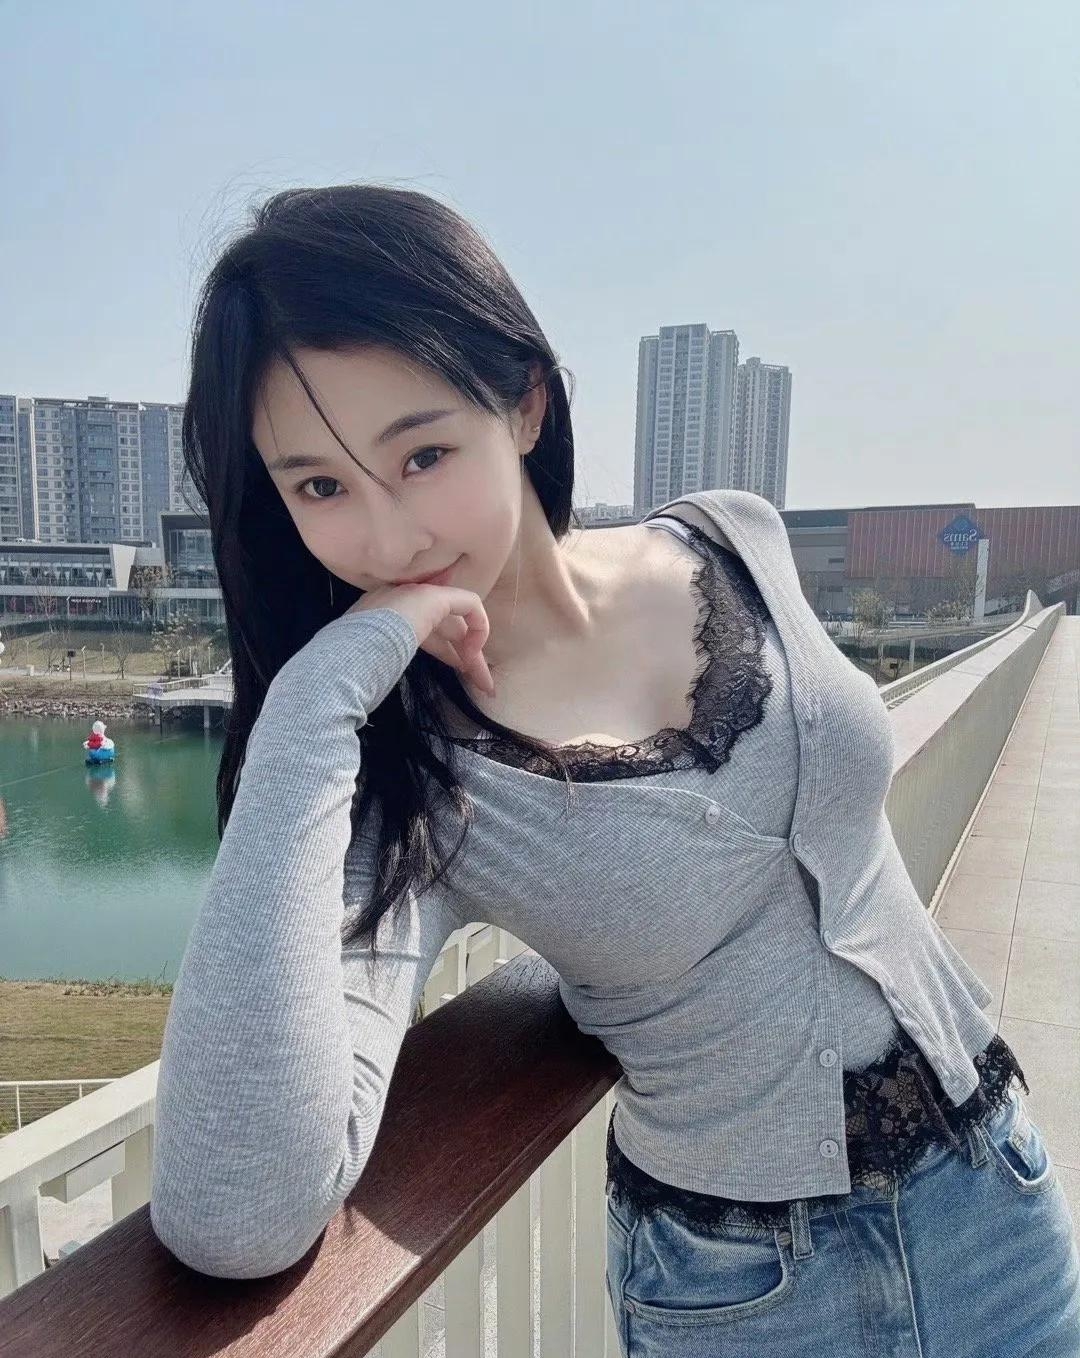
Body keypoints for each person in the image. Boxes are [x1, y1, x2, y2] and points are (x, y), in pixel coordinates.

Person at [148, 184, 1079, 1353]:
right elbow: (235, 1213)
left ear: (525, 403)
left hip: (995, 1193)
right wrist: (313, 699)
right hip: (748, 1295)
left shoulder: (730, 537)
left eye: (423, 453)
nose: (389, 537)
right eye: (319, 486)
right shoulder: (404, 779)